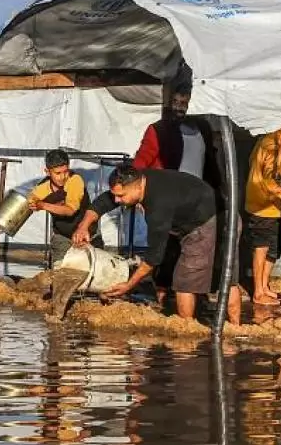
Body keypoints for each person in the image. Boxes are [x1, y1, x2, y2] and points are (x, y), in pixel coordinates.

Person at [73, 165, 243, 326]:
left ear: (137, 187)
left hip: (209, 224)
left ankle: (186, 330)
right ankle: (235, 328)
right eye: (116, 195)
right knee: (227, 277)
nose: (117, 200)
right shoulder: (143, 178)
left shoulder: (158, 206)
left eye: (122, 196)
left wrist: (129, 285)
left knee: (184, 281)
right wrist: (83, 226)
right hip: (226, 215)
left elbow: (154, 256)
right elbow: (104, 201)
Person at [132, 89, 225, 306]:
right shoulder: (159, 130)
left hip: (197, 200)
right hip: (168, 197)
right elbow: (141, 162)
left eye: (184, 102)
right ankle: (162, 297)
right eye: (175, 101)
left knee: (198, 249)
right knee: (166, 248)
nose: (179, 107)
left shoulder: (203, 128)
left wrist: (218, 192)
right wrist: (141, 195)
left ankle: (196, 294)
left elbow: (211, 162)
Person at [245, 128, 281, 306]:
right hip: (262, 206)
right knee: (261, 247)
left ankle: (264, 285)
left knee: (274, 247)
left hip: (274, 206)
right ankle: (258, 292)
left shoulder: (278, 145)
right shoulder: (270, 145)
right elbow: (268, 179)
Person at [28, 149, 103, 264]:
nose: (62, 177)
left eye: (65, 171)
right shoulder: (42, 188)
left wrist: (42, 205)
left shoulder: (75, 180)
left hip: (88, 235)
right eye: (57, 173)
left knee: (95, 270)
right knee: (61, 272)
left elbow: (70, 210)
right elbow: (28, 202)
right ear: (47, 172)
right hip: (62, 238)